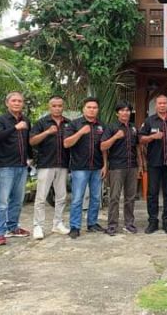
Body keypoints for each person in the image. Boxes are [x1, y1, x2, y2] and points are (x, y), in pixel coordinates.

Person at [0, 91, 31, 245]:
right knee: (1, 202)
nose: (17, 103)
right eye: (14, 100)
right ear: (7, 103)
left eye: (19, 101)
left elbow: (27, 141)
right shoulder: (0, 120)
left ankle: (13, 228)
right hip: (6, 166)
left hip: (22, 165)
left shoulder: (26, 120)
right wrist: (15, 127)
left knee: (17, 200)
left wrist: (30, 158)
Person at [64, 97, 107, 239]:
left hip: (97, 167)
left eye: (94, 107)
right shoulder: (74, 124)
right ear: (83, 109)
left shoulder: (101, 125)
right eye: (89, 107)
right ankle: (75, 226)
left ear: (98, 110)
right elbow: (66, 143)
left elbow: (104, 148)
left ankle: (92, 223)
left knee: (96, 197)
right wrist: (81, 132)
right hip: (79, 168)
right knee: (77, 198)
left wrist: (105, 165)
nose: (92, 110)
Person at [29, 95, 71, 239]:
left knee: (61, 196)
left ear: (63, 107)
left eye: (60, 106)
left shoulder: (68, 123)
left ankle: (57, 223)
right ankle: (38, 226)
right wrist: (47, 132)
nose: (57, 108)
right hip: (46, 164)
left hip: (63, 163)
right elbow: (32, 141)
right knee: (41, 197)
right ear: (49, 107)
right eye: (54, 106)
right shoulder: (42, 122)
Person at [101, 101, 143, 236]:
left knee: (130, 197)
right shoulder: (111, 127)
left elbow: (138, 147)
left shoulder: (133, 128)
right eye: (122, 110)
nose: (125, 113)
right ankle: (112, 226)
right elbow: (103, 146)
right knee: (114, 197)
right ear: (117, 113)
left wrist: (141, 165)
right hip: (117, 167)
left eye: (127, 110)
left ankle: (129, 224)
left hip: (132, 166)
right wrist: (115, 137)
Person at [139, 94, 167, 235]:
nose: (162, 105)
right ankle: (153, 222)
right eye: (159, 103)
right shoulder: (149, 121)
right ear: (156, 105)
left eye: (164, 103)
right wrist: (152, 137)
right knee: (152, 193)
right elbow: (141, 139)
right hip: (154, 163)